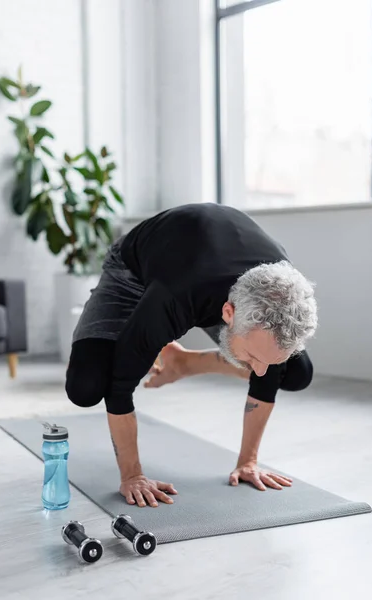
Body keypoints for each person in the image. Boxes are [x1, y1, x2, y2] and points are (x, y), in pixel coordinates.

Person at [66, 203, 317, 508]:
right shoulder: (174, 297)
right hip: (133, 270)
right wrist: (132, 476)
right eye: (253, 357)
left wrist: (248, 461)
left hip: (214, 272)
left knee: (293, 371)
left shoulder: (282, 295)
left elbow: (268, 368)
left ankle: (183, 362)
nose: (258, 372)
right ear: (228, 313)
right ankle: (167, 352)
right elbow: (120, 386)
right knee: (87, 386)